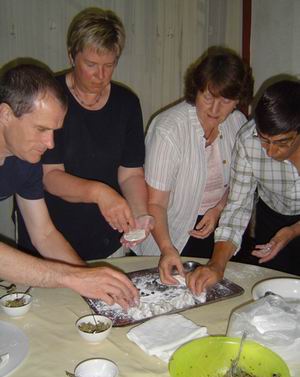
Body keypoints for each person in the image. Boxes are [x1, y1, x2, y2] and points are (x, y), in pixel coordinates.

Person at [16, 8, 153, 261]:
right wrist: (101, 193)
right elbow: (50, 176)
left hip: (106, 234)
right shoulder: (50, 98)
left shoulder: (127, 103)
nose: (100, 75)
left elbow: (131, 173)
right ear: (71, 55)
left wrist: (139, 212)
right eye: (91, 64)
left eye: (109, 65)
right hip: (49, 234)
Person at [0, 63, 138, 307]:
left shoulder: (27, 159)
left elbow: (44, 234)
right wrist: (72, 277)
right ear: (6, 114)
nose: (50, 144)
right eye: (41, 129)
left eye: (54, 131)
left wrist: (87, 278)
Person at [135, 47, 253, 285]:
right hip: (169, 233)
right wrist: (168, 249)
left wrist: (219, 208)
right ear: (195, 90)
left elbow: (242, 183)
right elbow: (155, 203)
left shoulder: (238, 123)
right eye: (208, 97)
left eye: (226, 100)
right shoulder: (169, 130)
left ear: (238, 100)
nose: (215, 109)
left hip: (218, 231)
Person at [187, 79, 300, 294]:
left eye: (282, 142)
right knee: (275, 295)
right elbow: (237, 206)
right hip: (274, 217)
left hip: (292, 226)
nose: (270, 152)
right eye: (264, 140)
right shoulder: (248, 140)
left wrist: (293, 231)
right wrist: (216, 265)